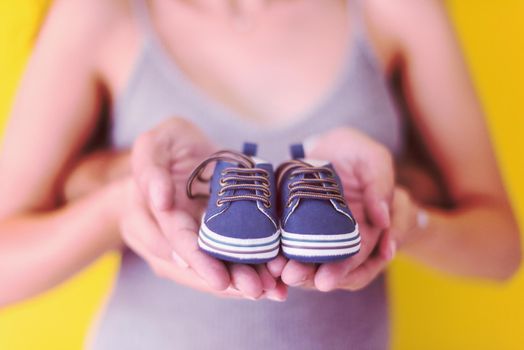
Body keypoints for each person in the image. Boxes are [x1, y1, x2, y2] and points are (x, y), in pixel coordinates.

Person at [0, 0, 520, 349]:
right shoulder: (98, 13)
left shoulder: (397, 9)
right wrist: (121, 207)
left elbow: (502, 248)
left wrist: (405, 219)